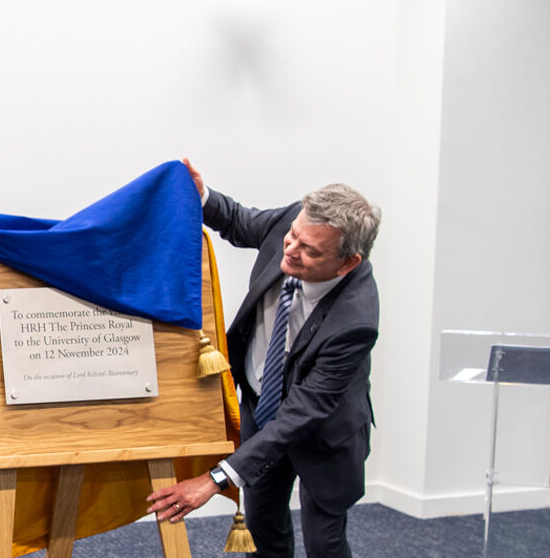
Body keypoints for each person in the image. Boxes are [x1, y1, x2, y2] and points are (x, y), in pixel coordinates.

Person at [147, 159, 381, 558]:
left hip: (324, 434)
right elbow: (239, 221)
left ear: (347, 263)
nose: (290, 250)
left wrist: (215, 479)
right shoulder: (297, 222)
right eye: (293, 237)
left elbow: (304, 411)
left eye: (309, 250)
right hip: (262, 407)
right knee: (262, 528)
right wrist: (200, 195)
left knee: (325, 543)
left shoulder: (355, 321)